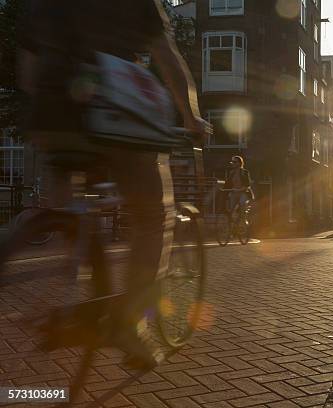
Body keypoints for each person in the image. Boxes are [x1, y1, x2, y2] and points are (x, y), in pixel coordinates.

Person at [18, 0, 207, 368]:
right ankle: (127, 326)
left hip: (51, 108)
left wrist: (43, 112)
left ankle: (73, 266)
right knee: (152, 213)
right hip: (112, 104)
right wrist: (191, 116)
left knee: (63, 208)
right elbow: (166, 57)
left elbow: (27, 65)